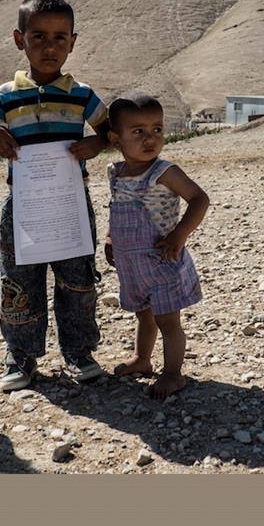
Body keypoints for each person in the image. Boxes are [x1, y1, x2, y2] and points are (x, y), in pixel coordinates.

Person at [0, 0, 110, 392]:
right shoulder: (5, 95)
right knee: (19, 279)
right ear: (20, 40)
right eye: (39, 37)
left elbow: (108, 131)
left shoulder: (82, 94)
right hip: (24, 206)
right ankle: (21, 355)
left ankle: (79, 351)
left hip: (71, 205)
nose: (50, 47)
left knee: (77, 279)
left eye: (60, 38)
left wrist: (96, 145)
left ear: (73, 42)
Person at [105, 92, 209, 398]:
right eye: (138, 132)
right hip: (132, 263)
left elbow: (199, 199)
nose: (150, 138)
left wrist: (180, 234)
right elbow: (116, 206)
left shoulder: (163, 171)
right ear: (116, 138)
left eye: (157, 129)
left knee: (167, 320)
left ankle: (173, 373)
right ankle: (142, 359)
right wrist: (111, 237)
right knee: (144, 314)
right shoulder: (116, 172)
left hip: (162, 260)